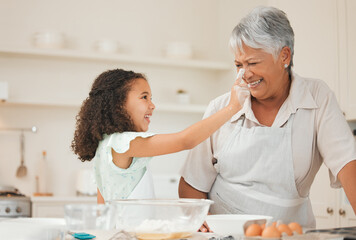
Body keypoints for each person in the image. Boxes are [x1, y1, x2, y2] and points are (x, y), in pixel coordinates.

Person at [178, 6, 356, 229]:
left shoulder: (317, 97)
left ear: (284, 56)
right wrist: (200, 222)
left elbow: (348, 164)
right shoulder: (220, 108)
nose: (245, 74)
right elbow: (191, 184)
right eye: (238, 65)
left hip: (290, 233)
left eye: (252, 63)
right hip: (223, 234)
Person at [71, 68, 242, 203]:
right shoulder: (123, 143)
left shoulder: (107, 144)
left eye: (151, 98)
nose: (152, 105)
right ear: (118, 105)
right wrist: (232, 107)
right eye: (144, 97)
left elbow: (103, 206)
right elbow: (185, 141)